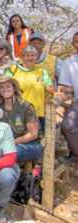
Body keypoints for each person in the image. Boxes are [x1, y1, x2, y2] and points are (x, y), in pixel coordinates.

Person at [4, 45, 57, 127]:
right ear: (22, 57)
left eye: (33, 55)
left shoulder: (42, 72)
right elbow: (4, 88)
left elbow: (49, 86)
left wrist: (54, 90)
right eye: (27, 55)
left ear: (37, 57)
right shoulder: (12, 70)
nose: (30, 58)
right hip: (18, 112)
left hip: (37, 113)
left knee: (37, 137)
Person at [0, 76, 43, 162]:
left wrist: (12, 142)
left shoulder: (26, 107)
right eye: (1, 87)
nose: (5, 89)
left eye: (8, 86)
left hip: (30, 144)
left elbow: (33, 134)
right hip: (6, 144)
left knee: (10, 153)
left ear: (14, 88)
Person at [56, 31, 78, 164]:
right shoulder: (69, 62)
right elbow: (66, 85)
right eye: (77, 41)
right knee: (67, 125)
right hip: (77, 101)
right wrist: (68, 89)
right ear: (73, 44)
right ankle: (76, 152)